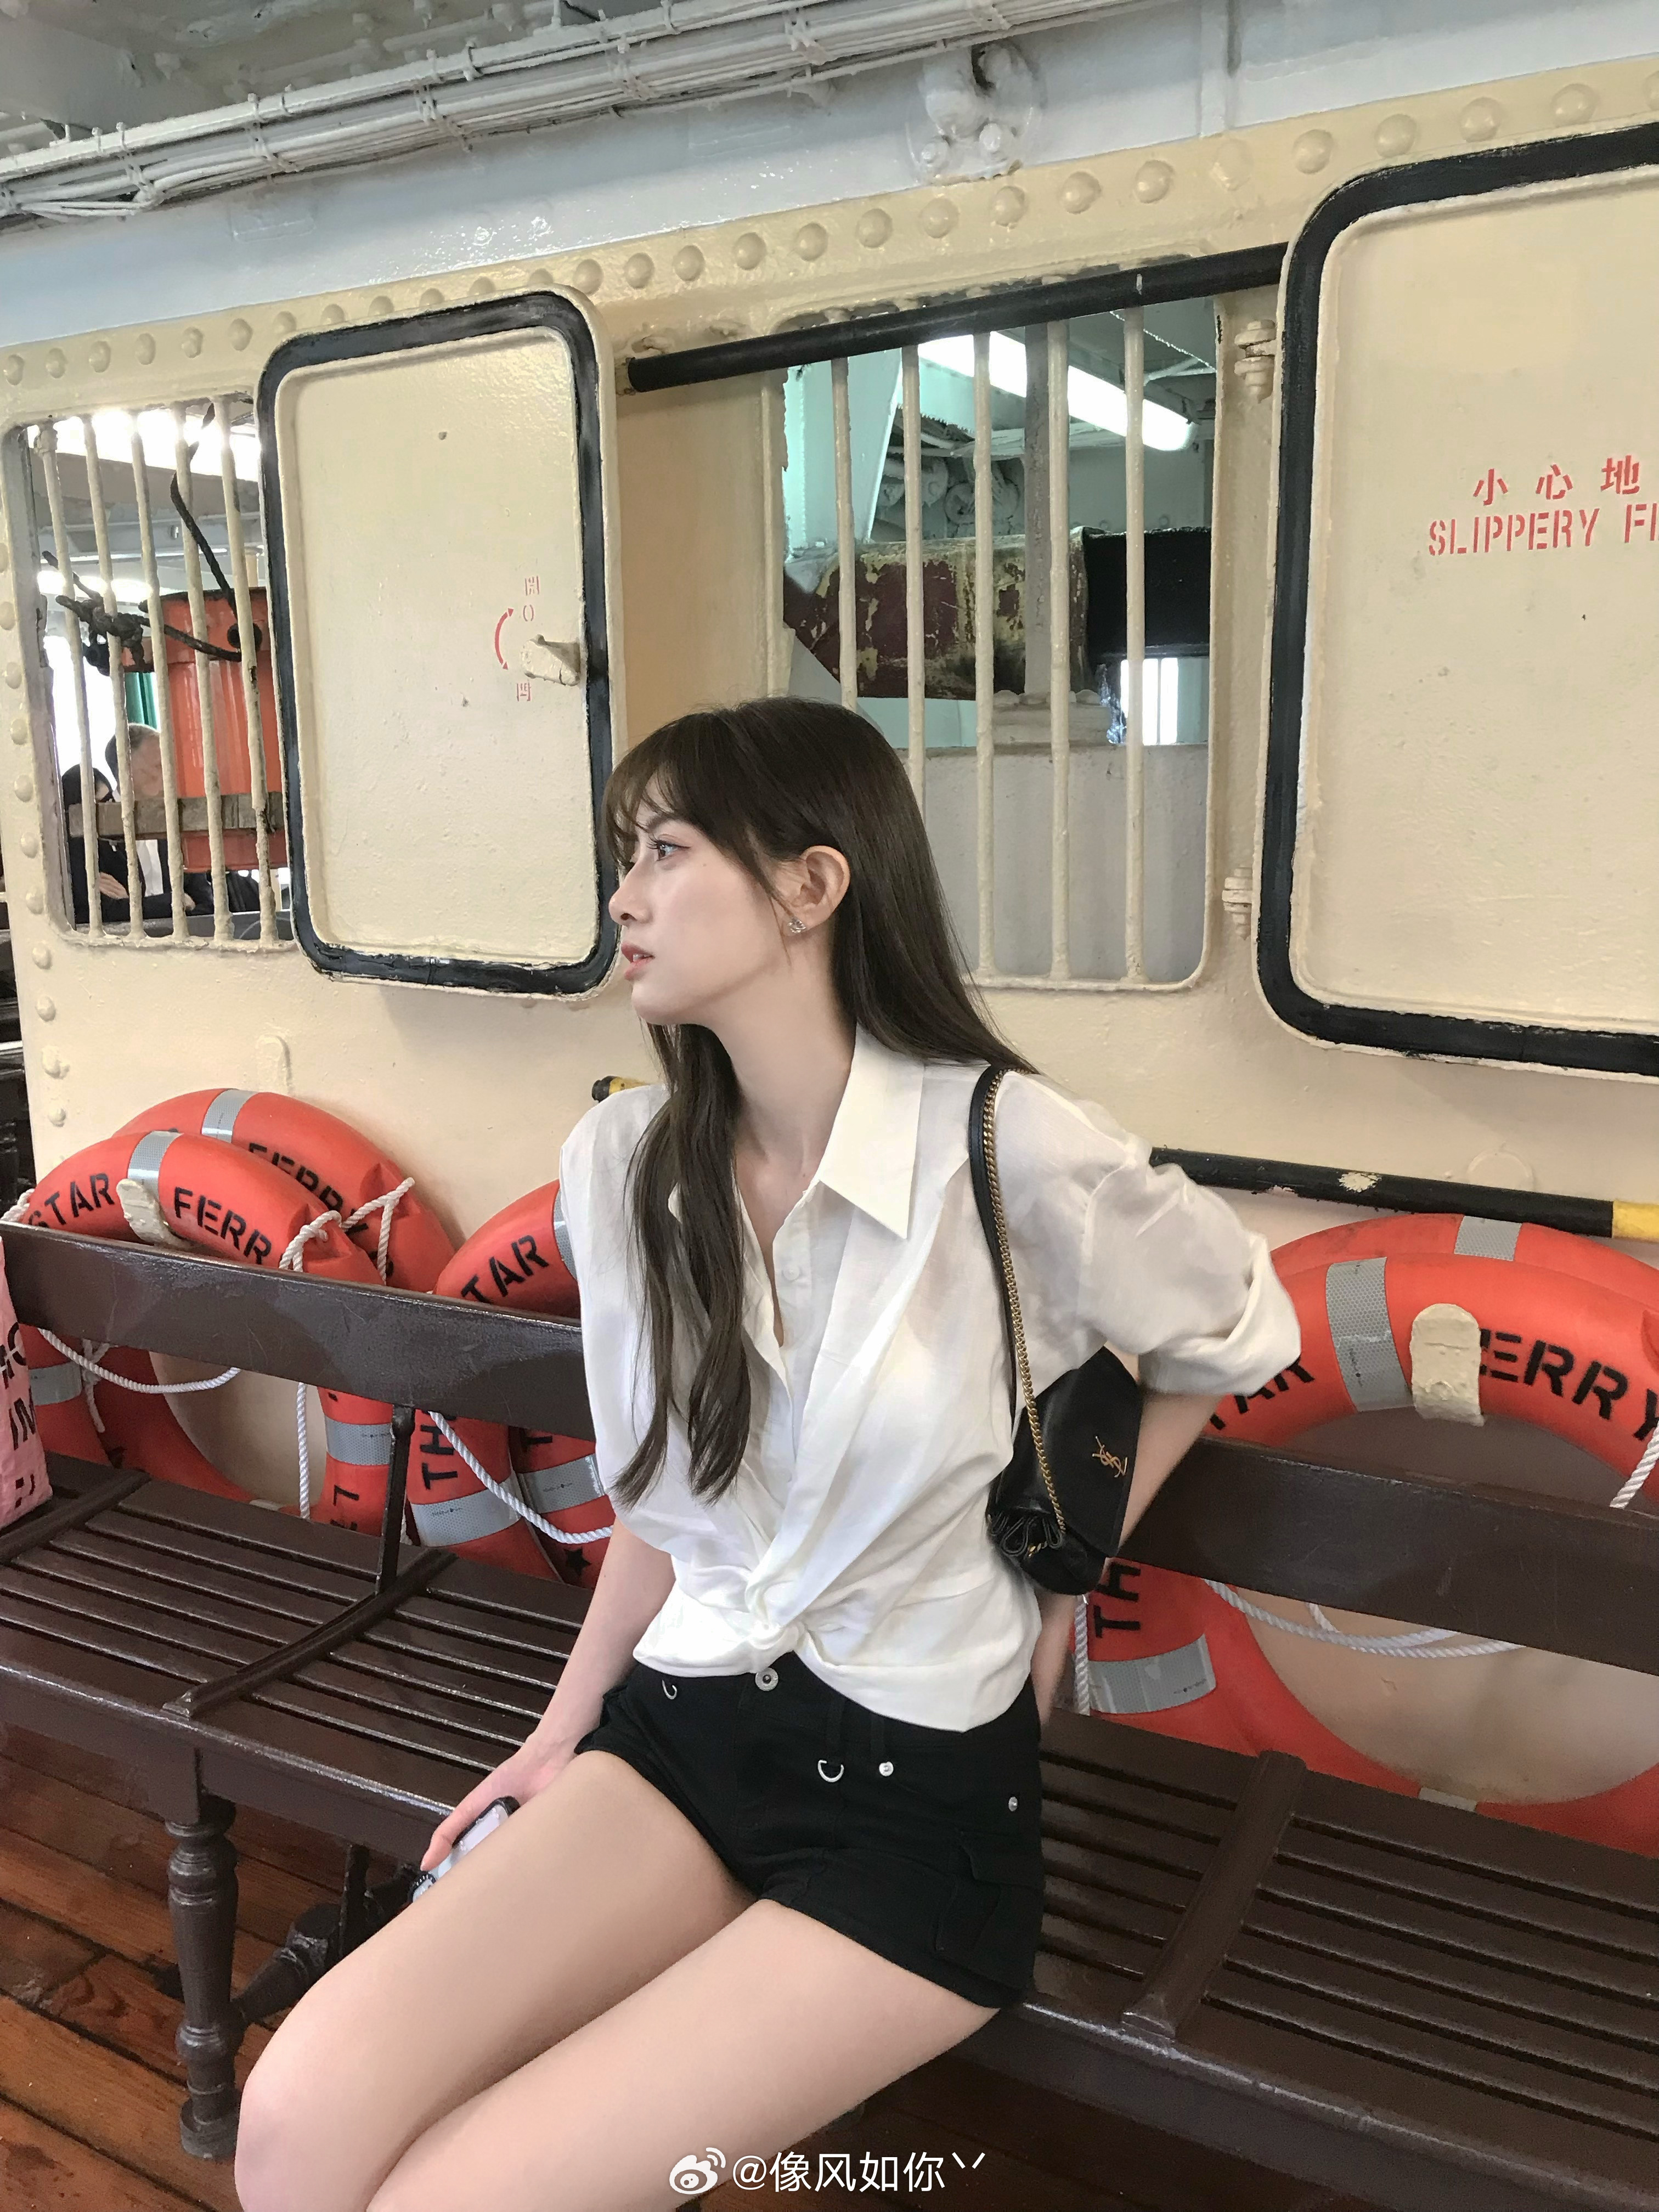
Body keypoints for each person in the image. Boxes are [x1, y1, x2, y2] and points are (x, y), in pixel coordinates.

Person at [233, 698, 1300, 2212]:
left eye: (666, 851)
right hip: (685, 1731)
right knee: (292, 2125)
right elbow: (670, 1512)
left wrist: (1066, 1570)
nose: (625, 897)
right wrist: (557, 1734)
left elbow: (1240, 1324)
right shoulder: (625, 1168)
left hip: (917, 1805)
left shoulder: (1009, 1151)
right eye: (627, 856)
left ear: (812, 884)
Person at [104, 725, 263, 915]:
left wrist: (135, 906)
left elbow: (206, 905)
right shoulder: (95, 828)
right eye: (160, 766)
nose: (170, 775)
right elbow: (101, 913)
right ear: (127, 768)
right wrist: (172, 902)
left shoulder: (179, 822)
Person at [59, 763, 176, 926]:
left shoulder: (115, 844)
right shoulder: (72, 854)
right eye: (99, 804)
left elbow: (126, 904)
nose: (107, 809)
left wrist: (128, 903)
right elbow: (105, 911)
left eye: (109, 801)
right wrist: (172, 901)